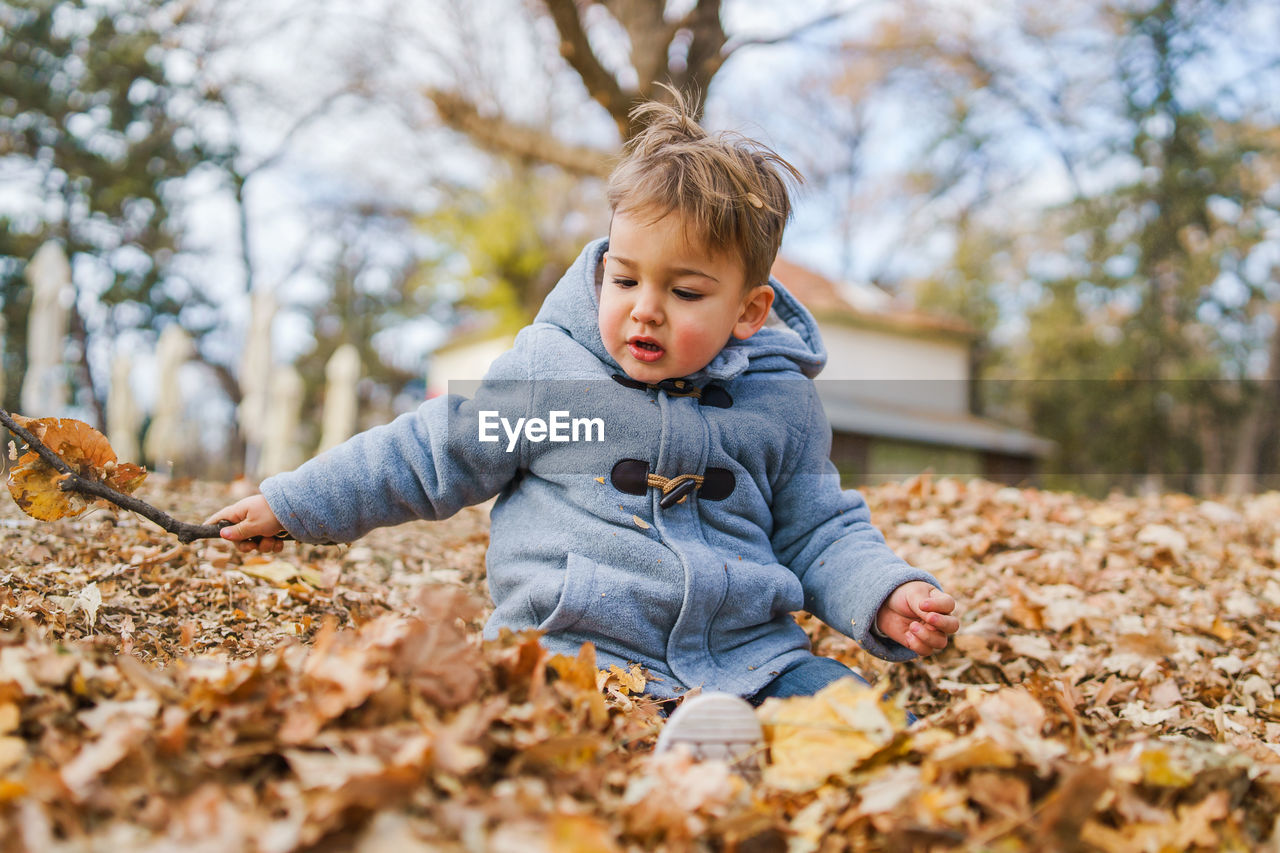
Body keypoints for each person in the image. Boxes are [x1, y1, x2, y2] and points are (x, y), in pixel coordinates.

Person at [208, 89, 959, 766]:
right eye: (625, 278)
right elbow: (425, 454)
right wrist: (294, 502)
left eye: (685, 290)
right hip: (576, 642)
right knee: (559, 725)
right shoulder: (554, 377)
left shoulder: (780, 402)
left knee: (859, 717)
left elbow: (819, 528)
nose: (645, 308)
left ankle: (767, 750)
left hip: (747, 652)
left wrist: (883, 591)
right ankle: (683, 757)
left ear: (748, 311)